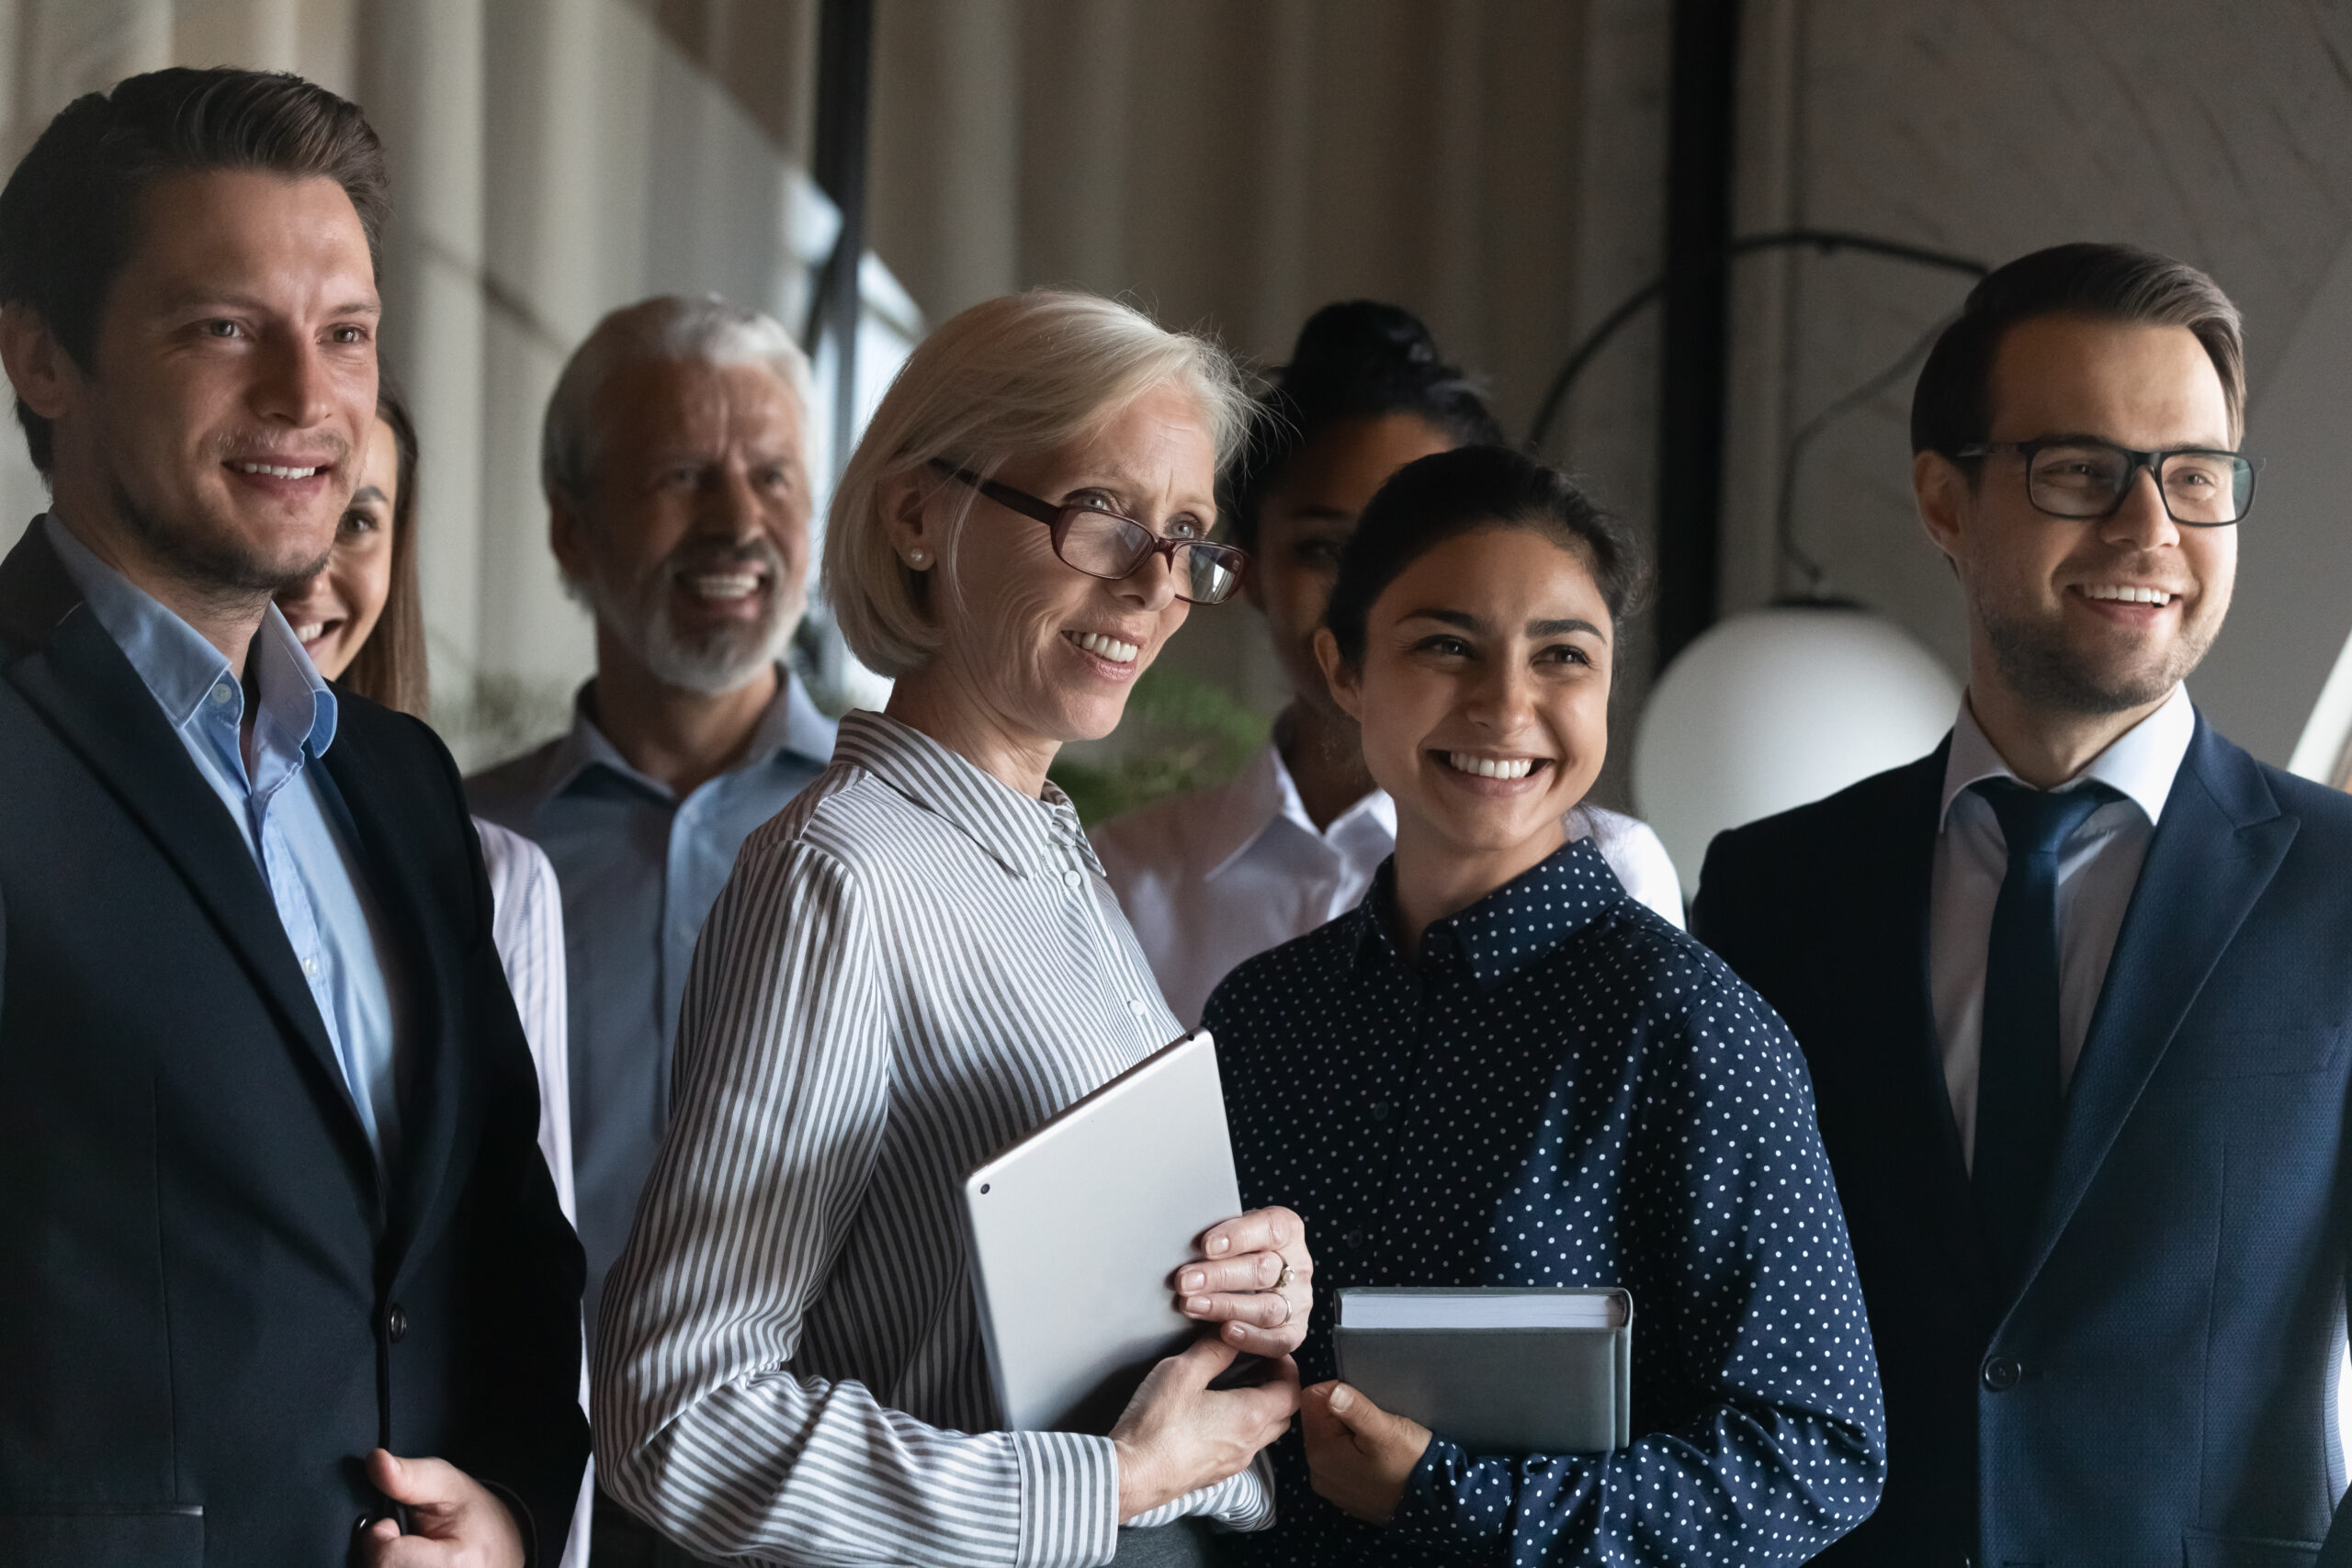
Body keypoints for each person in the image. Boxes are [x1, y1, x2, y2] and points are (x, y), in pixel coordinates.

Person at [594, 289, 1312, 1568]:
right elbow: (682, 1412)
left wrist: (1237, 1289)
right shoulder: (840, 877)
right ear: (918, 515)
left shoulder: (1051, 857)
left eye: (1187, 537)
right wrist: (1104, 1484)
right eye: (1102, 514)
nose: (1155, 585)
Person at [0, 66, 585, 1565]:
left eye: (346, 334)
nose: (308, 399)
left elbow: (501, 1243)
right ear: (44, 355)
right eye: (224, 327)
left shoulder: (399, 783)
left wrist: (510, 1514)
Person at [1692, 243, 2352, 1564]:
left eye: (2195, 475)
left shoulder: (2339, 885)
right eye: (2080, 469)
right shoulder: (1775, 891)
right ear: (1945, 500)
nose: (2150, 528)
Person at [1205, 444, 1886, 1566]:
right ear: (1343, 669)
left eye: (1562, 655)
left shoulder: (1689, 1030)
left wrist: (1446, 1494)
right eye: (1444, 645)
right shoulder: (1262, 1018)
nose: (1505, 703)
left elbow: (1816, 1456)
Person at [1093, 302, 1680, 1028]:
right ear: (1249, 566)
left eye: (1424, 552)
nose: (1372, 598)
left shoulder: (1613, 875)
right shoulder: (1128, 876)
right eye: (1327, 550)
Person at [466, 296, 837, 1357]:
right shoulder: (460, 844)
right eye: (682, 476)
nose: (737, 522)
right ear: (571, 529)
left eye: (773, 477)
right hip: (537, 1442)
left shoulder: (903, 825)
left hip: (837, 1445)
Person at [277, 378, 594, 1568]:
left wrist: (523, 1531)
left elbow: (522, 1257)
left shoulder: (493, 872)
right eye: (303, 498)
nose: (314, 563)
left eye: (360, 518)